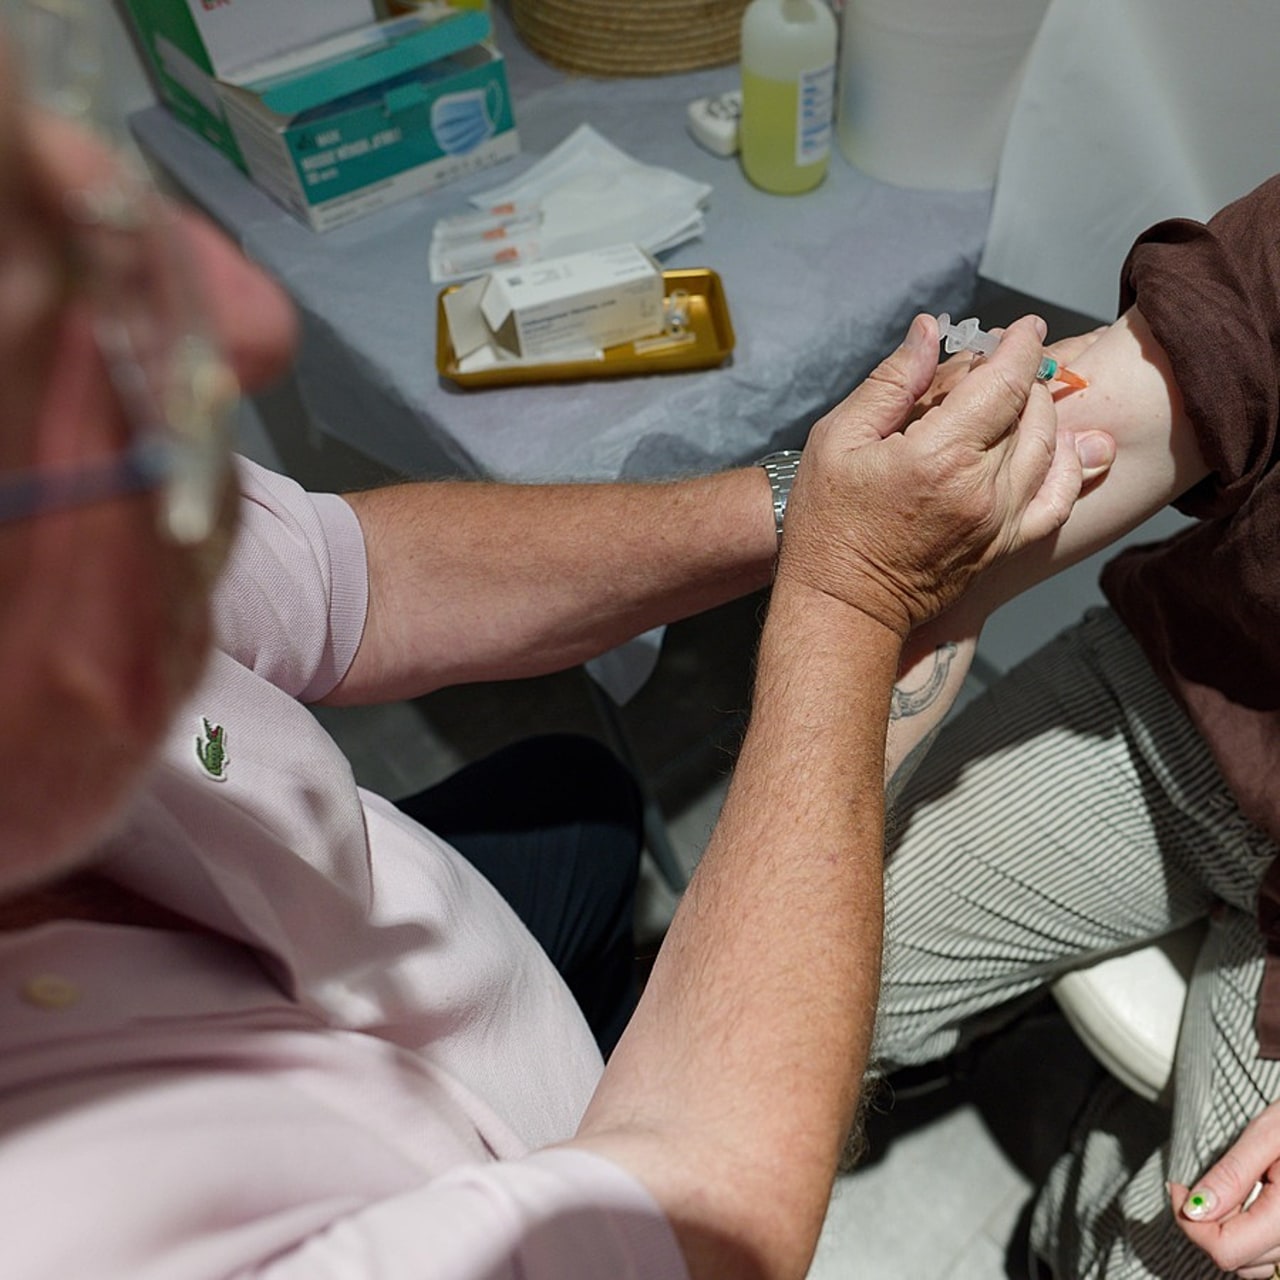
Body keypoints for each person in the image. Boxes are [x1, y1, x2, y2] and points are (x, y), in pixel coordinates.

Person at [0, 30, 1113, 1280]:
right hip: (535, 1133)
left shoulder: (65, 550)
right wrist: (852, 601)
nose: (248, 316)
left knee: (580, 801)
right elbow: (705, 1209)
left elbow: (342, 580)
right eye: (31, 324)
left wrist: (802, 501)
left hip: (429, 972)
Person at [870, 172, 1280, 1278]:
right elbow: (1161, 382)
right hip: (1177, 705)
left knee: (1196, 1254)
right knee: (799, 993)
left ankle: (1076, 1193)